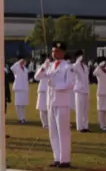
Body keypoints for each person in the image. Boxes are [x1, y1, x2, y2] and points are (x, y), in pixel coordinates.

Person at [35, 41, 74, 169]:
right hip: (50, 102)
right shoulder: (50, 66)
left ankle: (65, 160)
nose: (53, 53)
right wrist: (44, 65)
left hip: (62, 102)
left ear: (62, 52)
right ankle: (57, 158)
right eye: (52, 51)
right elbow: (37, 76)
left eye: (56, 51)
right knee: (53, 132)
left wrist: (55, 86)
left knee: (63, 132)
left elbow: (69, 84)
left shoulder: (67, 67)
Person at [72, 50, 90, 133]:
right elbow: (72, 68)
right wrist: (77, 61)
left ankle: (85, 126)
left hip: (86, 89)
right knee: (79, 109)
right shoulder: (76, 66)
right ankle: (80, 127)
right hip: (79, 90)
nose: (82, 57)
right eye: (81, 56)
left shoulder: (85, 66)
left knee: (85, 109)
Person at [93, 57, 106, 131]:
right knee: (101, 109)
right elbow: (94, 73)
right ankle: (101, 125)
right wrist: (99, 66)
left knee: (105, 109)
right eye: (104, 62)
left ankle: (105, 124)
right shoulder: (98, 70)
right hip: (101, 92)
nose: (105, 63)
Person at [10, 55, 29, 124]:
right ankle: (20, 118)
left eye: (23, 60)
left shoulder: (25, 69)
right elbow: (11, 68)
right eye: (21, 60)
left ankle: (23, 118)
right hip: (18, 88)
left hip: (24, 88)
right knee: (18, 104)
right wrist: (18, 63)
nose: (23, 62)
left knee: (23, 104)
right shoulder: (16, 67)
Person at [35, 55, 49, 129]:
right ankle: (45, 124)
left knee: (49, 109)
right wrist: (43, 68)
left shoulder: (53, 67)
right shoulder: (41, 67)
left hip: (50, 90)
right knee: (42, 108)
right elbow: (36, 77)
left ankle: (50, 123)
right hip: (43, 90)